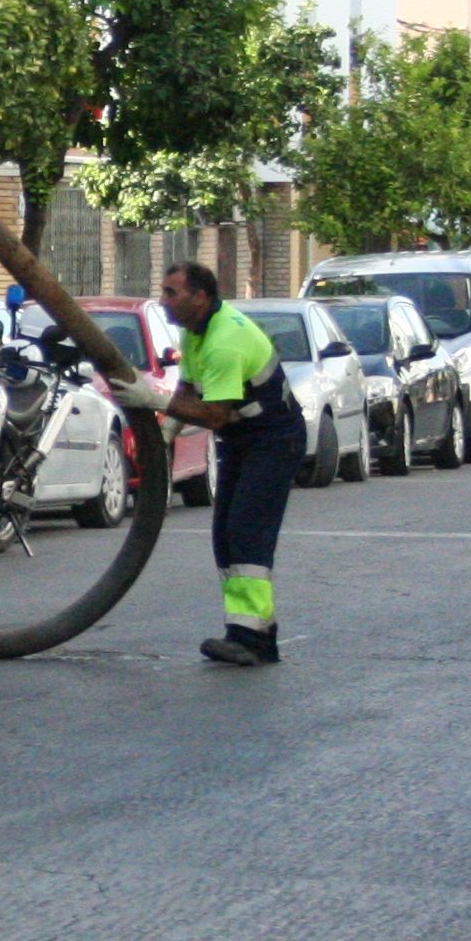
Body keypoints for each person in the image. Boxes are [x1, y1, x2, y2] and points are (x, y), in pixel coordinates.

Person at [109, 262, 307, 666]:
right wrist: (165, 432)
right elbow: (189, 386)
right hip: (243, 439)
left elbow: (214, 414)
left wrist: (154, 400)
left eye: (170, 292)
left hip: (273, 440)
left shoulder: (225, 340)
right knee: (226, 534)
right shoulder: (196, 331)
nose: (162, 300)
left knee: (246, 532)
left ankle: (254, 639)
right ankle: (247, 632)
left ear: (200, 297)